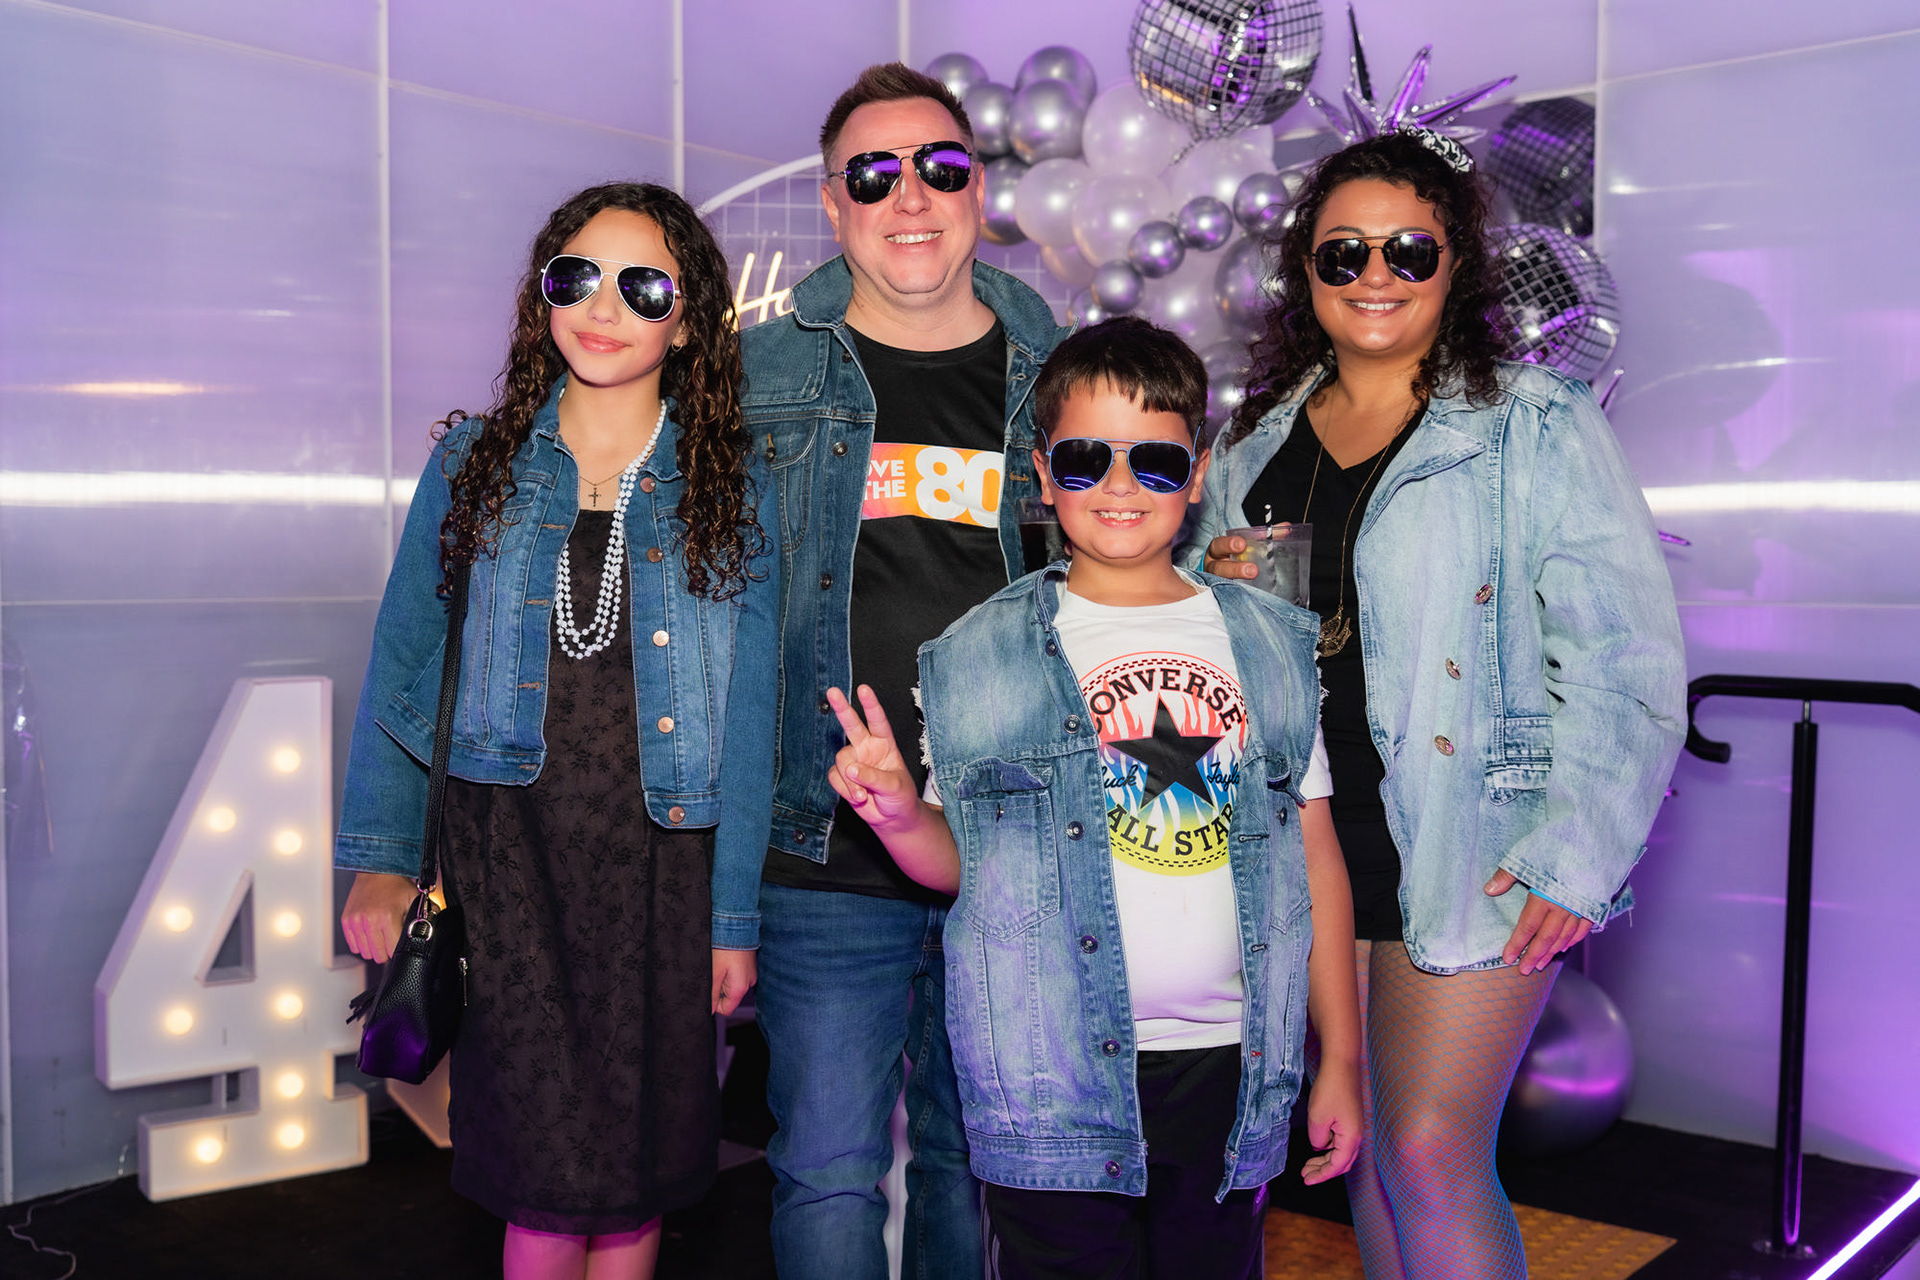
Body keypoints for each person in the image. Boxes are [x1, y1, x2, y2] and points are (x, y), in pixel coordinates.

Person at [1193, 130, 1685, 1279]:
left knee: (1428, 1147)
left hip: (1476, 842)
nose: (1376, 274)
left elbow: (1625, 656)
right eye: (1344, 252)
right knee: (1363, 1153)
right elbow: (1238, 652)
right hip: (1312, 849)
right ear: (1305, 270)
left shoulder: (1533, 423)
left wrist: (1577, 853)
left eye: (1409, 250)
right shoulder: (1252, 446)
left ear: (1455, 262)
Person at [823, 317, 1363, 1277]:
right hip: (1049, 1066)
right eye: (1084, 459)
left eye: (1154, 461)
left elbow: (1314, 857)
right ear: (1043, 472)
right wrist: (901, 818)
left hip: (1234, 1064)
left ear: (1197, 474)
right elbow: (968, 870)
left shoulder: (1268, 642)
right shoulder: (978, 655)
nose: (1120, 486)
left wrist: (1344, 1060)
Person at [335, 182, 778, 1280]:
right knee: (541, 1175)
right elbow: (404, 666)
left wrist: (732, 917)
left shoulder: (733, 484)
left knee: (635, 1176)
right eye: (575, 277)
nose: (603, 306)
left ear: (690, 319)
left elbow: (753, 714)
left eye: (644, 286)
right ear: (544, 297)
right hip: (507, 864)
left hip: (664, 865)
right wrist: (382, 858)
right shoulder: (472, 464)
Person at [739, 63, 1069, 1279]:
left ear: (979, 188)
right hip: (822, 847)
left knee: (971, 1164)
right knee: (826, 1169)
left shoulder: (1060, 375)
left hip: (1007, 840)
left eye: (940, 166)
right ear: (833, 205)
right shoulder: (759, 375)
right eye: (873, 175)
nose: (909, 197)